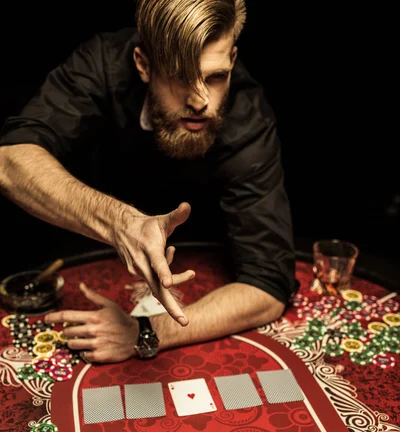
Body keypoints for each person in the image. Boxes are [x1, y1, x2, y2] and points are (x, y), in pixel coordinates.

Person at [0, 0, 298, 363]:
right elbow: (9, 161)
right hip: (74, 259)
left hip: (193, 276)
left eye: (215, 77)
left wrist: (145, 331)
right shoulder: (103, 64)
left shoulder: (248, 119)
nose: (200, 100)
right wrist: (120, 222)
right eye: (179, 75)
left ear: (232, 59)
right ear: (143, 64)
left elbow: (267, 284)